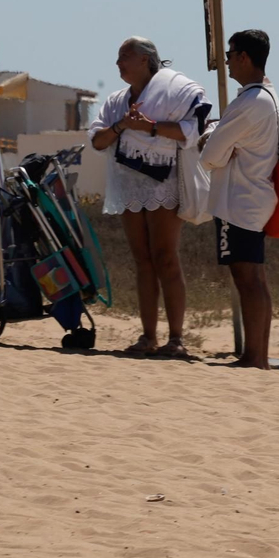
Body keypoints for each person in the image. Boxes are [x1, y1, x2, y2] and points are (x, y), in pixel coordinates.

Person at [87, 37, 206, 357]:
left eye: (125, 55)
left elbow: (190, 130)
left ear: (145, 60)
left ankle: (177, 339)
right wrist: (123, 125)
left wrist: (150, 126)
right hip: (128, 185)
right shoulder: (115, 102)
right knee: (142, 260)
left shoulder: (174, 91)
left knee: (165, 257)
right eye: (118, 56)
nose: (118, 62)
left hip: (162, 182)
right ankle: (148, 336)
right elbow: (97, 141)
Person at [199, 29, 279, 370]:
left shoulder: (248, 102)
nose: (227, 61)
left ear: (245, 56)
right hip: (254, 197)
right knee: (254, 279)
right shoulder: (267, 96)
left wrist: (211, 138)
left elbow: (211, 155)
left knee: (247, 279)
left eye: (231, 54)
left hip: (239, 200)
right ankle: (257, 355)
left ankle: (254, 356)